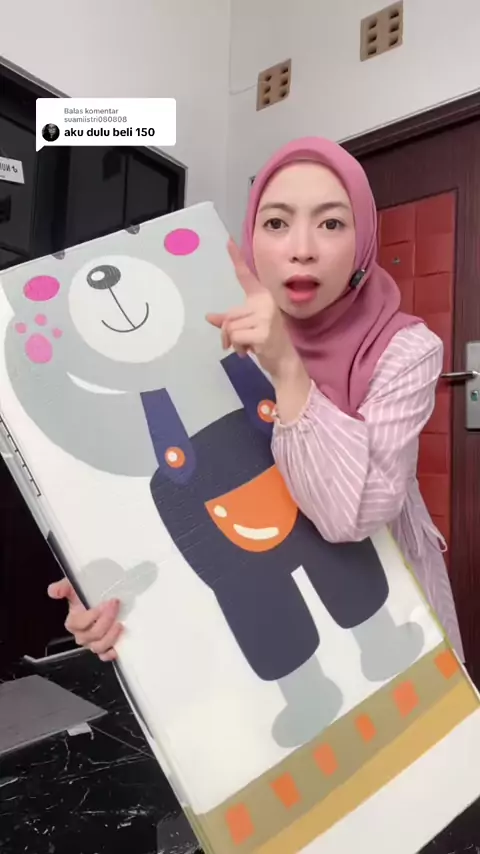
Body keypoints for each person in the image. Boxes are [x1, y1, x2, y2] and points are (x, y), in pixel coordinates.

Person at [48, 136, 464, 662]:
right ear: (250, 235)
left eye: (332, 223)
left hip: (395, 612)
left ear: (363, 239)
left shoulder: (406, 350)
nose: (302, 248)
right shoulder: (209, 334)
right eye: (276, 222)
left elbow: (348, 517)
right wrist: (110, 599)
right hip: (260, 628)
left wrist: (287, 367)